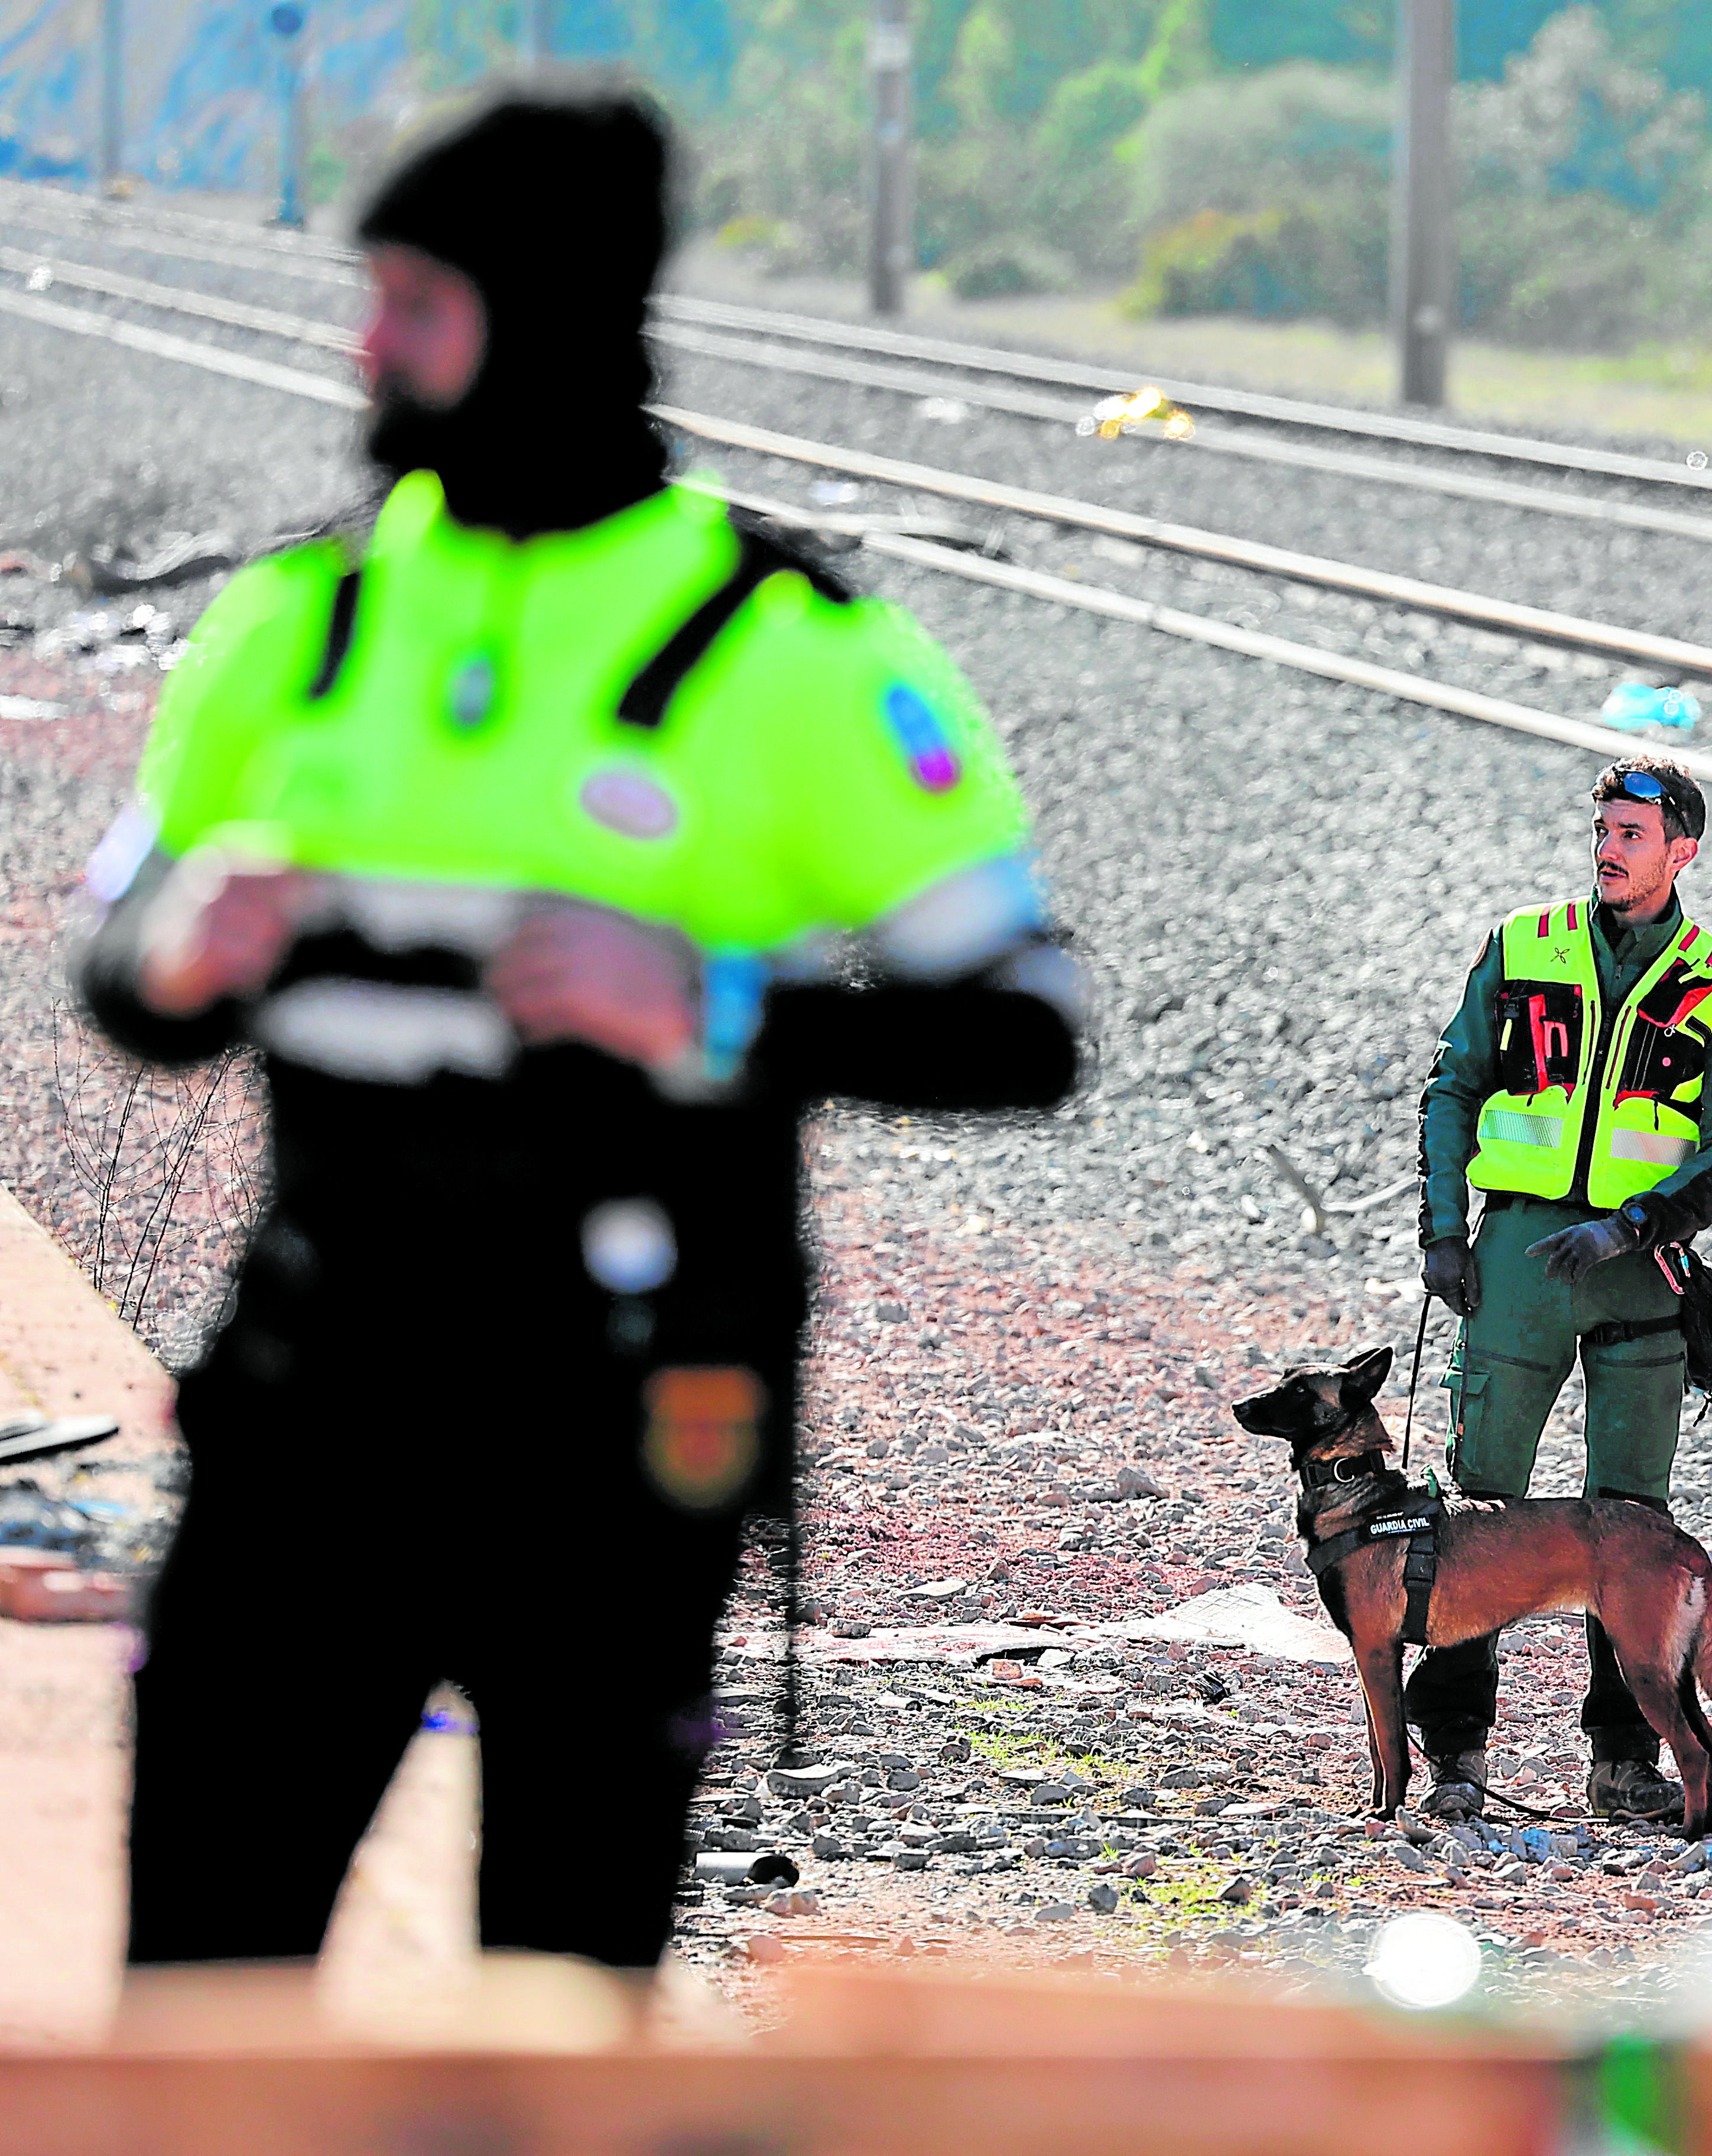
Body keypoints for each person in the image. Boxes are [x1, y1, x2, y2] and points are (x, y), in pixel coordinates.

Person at [69, 83, 1090, 1972]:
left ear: (542, 318)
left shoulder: (792, 647)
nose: (367, 350)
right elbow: (120, 985)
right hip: (315, 1396)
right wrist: (180, 960)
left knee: (563, 1987)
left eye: (418, 304)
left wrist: (702, 1003)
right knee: (202, 1980)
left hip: (615, 1428)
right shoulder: (299, 625)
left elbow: (1029, 1027)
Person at [1409, 756, 1712, 1821]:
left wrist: (1639, 1226)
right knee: (1477, 1505)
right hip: (1516, 1261)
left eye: (1632, 834)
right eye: (1602, 829)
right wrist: (1442, 1231)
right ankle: (1456, 1756)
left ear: (1681, 852)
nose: (1609, 848)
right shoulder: (1524, 945)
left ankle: (1624, 1761)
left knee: (1631, 1522)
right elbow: (1453, 1086)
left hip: (1640, 1272)